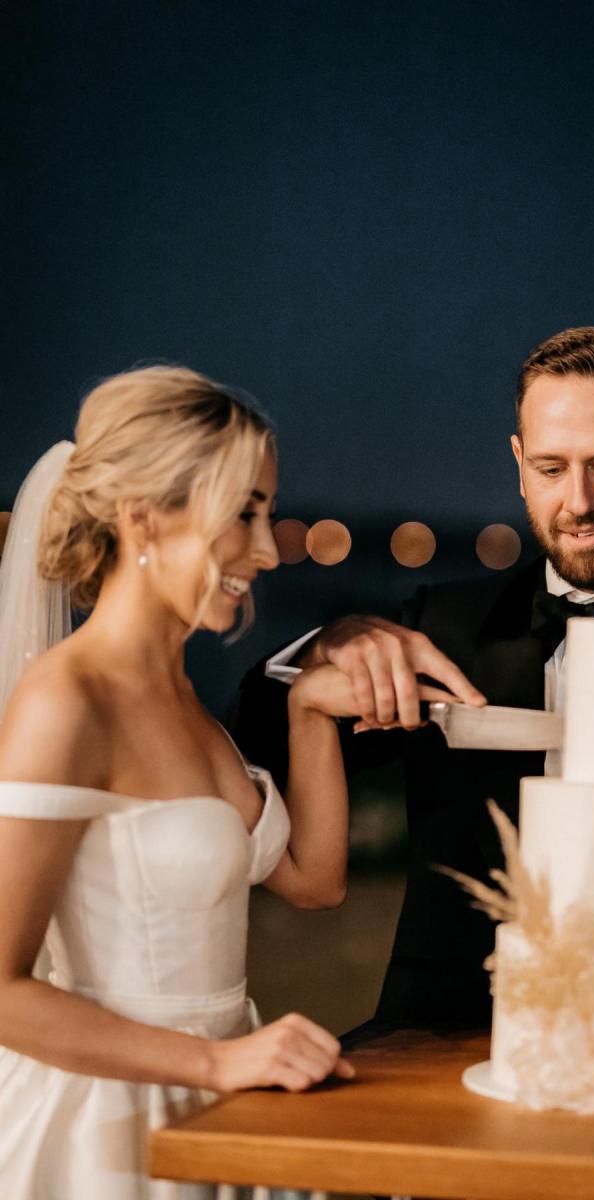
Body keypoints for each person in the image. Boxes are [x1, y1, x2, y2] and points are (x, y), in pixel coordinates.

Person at [235, 327, 594, 1040]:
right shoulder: (441, 631)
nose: (579, 501)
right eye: (551, 468)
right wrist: (329, 643)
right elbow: (249, 752)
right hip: (426, 1049)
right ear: (518, 466)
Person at [0, 365, 395, 1199]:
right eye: (241, 513)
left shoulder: (188, 705)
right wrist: (215, 1059)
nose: (265, 549)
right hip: (110, 1129)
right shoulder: (68, 702)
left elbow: (316, 883)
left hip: (227, 1108)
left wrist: (309, 718)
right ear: (144, 516)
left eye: (268, 513)